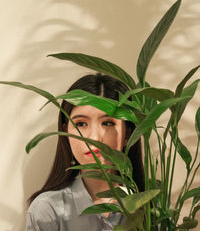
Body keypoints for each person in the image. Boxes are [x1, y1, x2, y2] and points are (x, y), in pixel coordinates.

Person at [25, 73, 144, 231]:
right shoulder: (48, 210)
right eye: (81, 124)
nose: (94, 138)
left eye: (107, 123)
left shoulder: (152, 207)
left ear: (128, 134)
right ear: (65, 130)